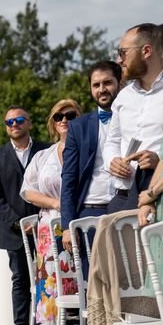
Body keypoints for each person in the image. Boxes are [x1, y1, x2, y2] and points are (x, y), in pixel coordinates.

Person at [20, 99, 82, 325]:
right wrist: (56, 203)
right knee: (51, 282)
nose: (64, 120)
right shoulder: (43, 156)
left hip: (79, 223)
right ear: (53, 122)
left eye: (71, 115)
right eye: (59, 116)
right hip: (48, 225)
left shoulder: (89, 150)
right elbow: (27, 191)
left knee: (78, 280)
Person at [0, 106, 48, 325]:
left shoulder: (46, 150)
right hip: (14, 230)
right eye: (9, 122)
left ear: (29, 123)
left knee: (48, 277)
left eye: (19, 120)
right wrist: (18, 222)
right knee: (20, 279)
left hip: (45, 227)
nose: (14, 124)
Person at [104, 23, 163, 213]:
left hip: (158, 195)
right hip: (122, 196)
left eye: (123, 52)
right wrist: (112, 161)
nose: (119, 59)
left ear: (146, 51)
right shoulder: (123, 97)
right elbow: (112, 141)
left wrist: (159, 161)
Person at [61, 61, 123, 254]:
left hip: (127, 206)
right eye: (96, 85)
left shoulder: (136, 118)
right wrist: (66, 226)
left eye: (108, 83)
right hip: (90, 210)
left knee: (130, 280)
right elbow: (69, 179)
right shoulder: (78, 127)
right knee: (91, 281)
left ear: (120, 83)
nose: (102, 89)